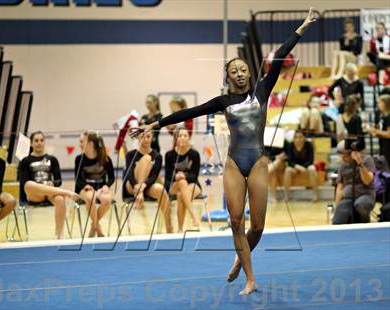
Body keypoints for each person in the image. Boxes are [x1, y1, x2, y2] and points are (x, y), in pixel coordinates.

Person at [130, 9, 316, 295]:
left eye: (243, 70)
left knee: (258, 227)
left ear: (250, 73)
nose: (239, 74)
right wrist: (153, 124)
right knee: (236, 221)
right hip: (234, 164)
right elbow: (189, 111)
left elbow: (279, 55)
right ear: (228, 77)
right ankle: (251, 278)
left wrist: (302, 27)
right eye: (233, 71)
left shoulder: (262, 92)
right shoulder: (223, 101)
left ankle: (240, 260)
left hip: (257, 162)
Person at [19, 131, 79, 239]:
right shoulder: (25, 161)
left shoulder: (52, 159)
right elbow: (24, 182)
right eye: (36, 140)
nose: (39, 143)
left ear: (45, 142)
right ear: (31, 143)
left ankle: (60, 233)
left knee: (60, 199)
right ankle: (66, 192)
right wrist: (43, 188)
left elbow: (58, 180)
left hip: (50, 192)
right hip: (35, 194)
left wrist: (54, 183)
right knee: (28, 184)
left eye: (42, 140)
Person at [124, 130, 173, 233]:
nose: (145, 140)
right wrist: (137, 187)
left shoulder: (157, 156)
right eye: (142, 137)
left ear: (152, 137)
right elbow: (129, 174)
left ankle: (169, 227)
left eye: (148, 136)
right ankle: (139, 193)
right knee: (146, 158)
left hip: (146, 186)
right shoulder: (130, 154)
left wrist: (142, 188)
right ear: (138, 138)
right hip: (132, 185)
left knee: (161, 190)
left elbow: (154, 176)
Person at [75, 132, 115, 237]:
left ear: (91, 144)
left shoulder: (105, 158)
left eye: (82, 141)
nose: (80, 144)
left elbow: (111, 177)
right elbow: (77, 179)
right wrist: (85, 185)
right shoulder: (79, 159)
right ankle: (98, 229)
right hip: (86, 189)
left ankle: (93, 226)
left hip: (101, 188)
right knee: (90, 198)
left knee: (106, 201)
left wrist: (106, 185)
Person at [165, 128, 201, 232]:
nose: (183, 138)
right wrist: (176, 177)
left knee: (181, 194)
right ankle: (193, 216)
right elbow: (168, 177)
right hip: (174, 186)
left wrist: (184, 175)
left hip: (193, 185)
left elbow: (194, 176)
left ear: (189, 138)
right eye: (180, 135)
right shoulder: (169, 155)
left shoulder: (194, 154)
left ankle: (180, 229)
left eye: (185, 135)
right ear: (175, 139)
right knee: (181, 182)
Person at [333, 140, 375, 224]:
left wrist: (359, 163)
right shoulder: (342, 166)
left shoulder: (367, 159)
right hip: (348, 198)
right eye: (341, 155)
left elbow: (367, 181)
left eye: (345, 155)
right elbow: (340, 188)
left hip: (365, 195)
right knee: (337, 222)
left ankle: (365, 220)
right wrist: (336, 208)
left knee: (361, 205)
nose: (343, 158)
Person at [283, 129, 318, 202]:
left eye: (300, 137)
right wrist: (297, 167)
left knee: (312, 169)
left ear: (304, 138)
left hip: (306, 166)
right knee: (287, 170)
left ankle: (315, 195)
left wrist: (303, 167)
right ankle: (287, 196)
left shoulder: (309, 145)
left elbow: (311, 160)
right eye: (296, 137)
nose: (298, 139)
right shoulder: (290, 145)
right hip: (295, 167)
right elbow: (289, 161)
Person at [369, 94, 390, 166]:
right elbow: (380, 133)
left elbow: (388, 134)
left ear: (385, 103)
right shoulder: (382, 116)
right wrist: (372, 131)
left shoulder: (389, 116)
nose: (378, 104)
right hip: (383, 146)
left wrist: (375, 131)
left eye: (379, 102)